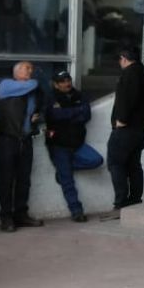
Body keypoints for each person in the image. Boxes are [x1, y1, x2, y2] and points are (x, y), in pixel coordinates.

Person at [101, 46, 144, 221]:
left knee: (116, 164)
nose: (119, 63)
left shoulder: (130, 74)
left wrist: (121, 120)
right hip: (141, 130)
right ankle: (135, 200)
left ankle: (120, 204)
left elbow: (127, 99)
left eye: (120, 60)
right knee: (134, 165)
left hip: (126, 129)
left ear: (124, 58)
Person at [43, 70, 101, 223]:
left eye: (68, 80)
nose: (67, 83)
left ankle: (64, 170)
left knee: (96, 160)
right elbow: (54, 116)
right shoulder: (50, 97)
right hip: (58, 144)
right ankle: (77, 211)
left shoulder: (79, 95)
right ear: (56, 84)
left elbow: (86, 115)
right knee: (68, 182)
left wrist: (66, 113)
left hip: (77, 143)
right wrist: (76, 111)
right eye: (62, 81)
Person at [0, 61, 45, 232]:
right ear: (16, 72)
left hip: (25, 139)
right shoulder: (6, 84)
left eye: (31, 68)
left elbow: (38, 107)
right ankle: (6, 217)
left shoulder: (32, 91)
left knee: (24, 180)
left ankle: (21, 214)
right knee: (6, 180)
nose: (30, 71)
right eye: (26, 68)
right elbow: (33, 84)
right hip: (7, 139)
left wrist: (36, 117)